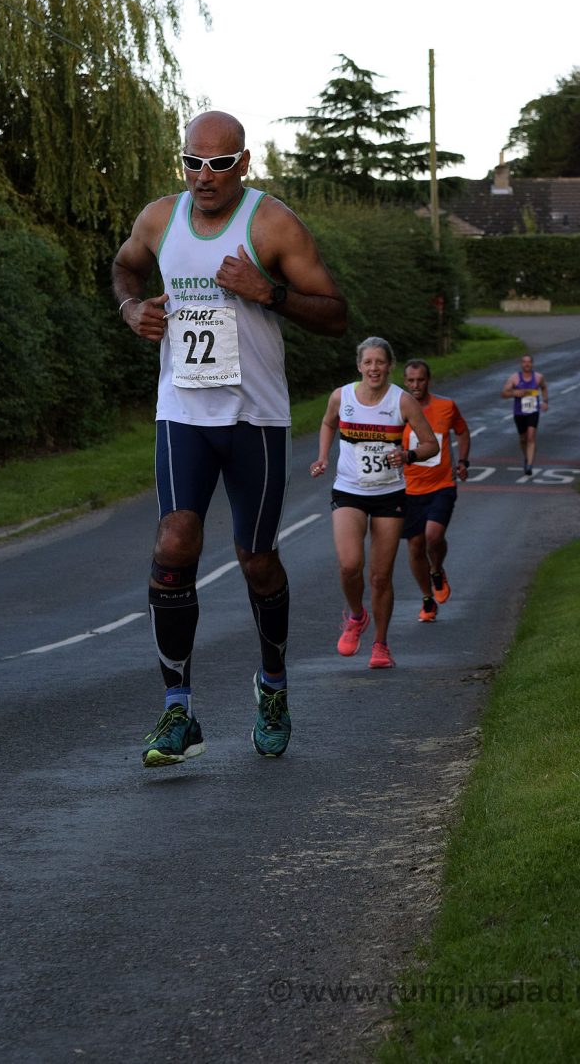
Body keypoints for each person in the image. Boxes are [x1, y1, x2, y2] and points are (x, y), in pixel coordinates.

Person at [111, 110, 346, 768]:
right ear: (181, 161)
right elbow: (125, 267)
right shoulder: (161, 218)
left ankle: (272, 685)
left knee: (256, 558)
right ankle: (178, 708)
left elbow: (335, 312)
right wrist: (131, 308)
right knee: (175, 538)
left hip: (255, 419)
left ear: (244, 162)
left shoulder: (271, 224)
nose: (204, 176)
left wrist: (266, 291)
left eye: (219, 163)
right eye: (193, 162)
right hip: (182, 410)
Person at [309, 338, 437, 670]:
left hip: (389, 495)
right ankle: (356, 615)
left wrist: (407, 455)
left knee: (381, 576)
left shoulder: (402, 401)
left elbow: (430, 445)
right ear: (359, 366)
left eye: (380, 362)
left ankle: (381, 644)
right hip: (349, 490)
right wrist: (323, 456)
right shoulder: (342, 396)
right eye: (368, 362)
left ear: (389, 366)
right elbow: (328, 422)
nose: (374, 368)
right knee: (350, 564)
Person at [401, 360, 470, 622]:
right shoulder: (399, 412)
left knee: (433, 536)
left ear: (428, 380)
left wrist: (463, 461)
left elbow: (463, 432)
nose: (416, 385)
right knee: (415, 546)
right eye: (411, 381)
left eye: (420, 380)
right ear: (405, 382)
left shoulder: (446, 407)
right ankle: (427, 599)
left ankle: (437, 569)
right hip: (409, 489)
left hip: (442, 484)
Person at [500, 354, 548, 475]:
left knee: (531, 437)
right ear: (521, 364)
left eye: (529, 362)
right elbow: (504, 393)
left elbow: (544, 388)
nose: (527, 364)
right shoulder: (515, 378)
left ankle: (529, 466)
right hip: (519, 412)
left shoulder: (538, 377)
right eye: (524, 362)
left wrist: (545, 401)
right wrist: (514, 393)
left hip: (533, 411)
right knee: (523, 439)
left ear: (532, 364)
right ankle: (527, 456)